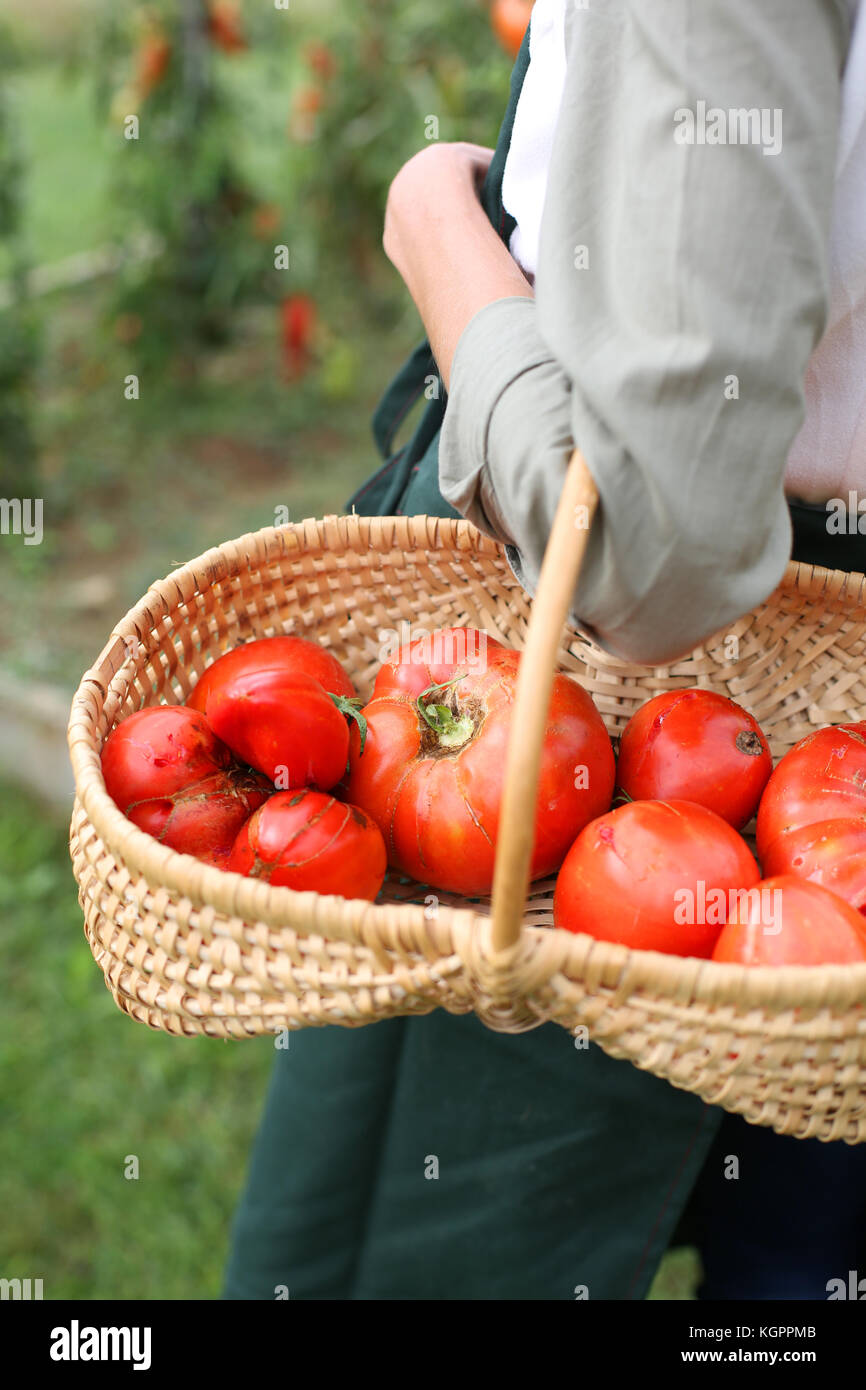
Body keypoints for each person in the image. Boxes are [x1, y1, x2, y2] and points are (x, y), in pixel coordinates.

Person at [224, 0, 866, 1300]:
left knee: (448, 1236)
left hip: (597, 636)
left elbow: (647, 542)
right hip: (785, 669)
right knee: (807, 1234)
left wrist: (438, 230)